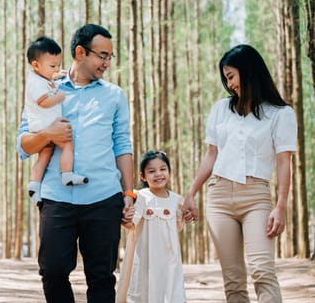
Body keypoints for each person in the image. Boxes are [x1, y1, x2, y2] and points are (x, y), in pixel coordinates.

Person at [16, 24, 135, 303]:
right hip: (56, 196)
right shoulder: (45, 89)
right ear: (80, 52)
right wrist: (47, 134)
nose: (107, 63)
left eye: (110, 57)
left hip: (104, 197)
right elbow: (23, 143)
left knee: (102, 277)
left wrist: (129, 194)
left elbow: (122, 145)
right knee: (53, 272)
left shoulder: (114, 95)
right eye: (101, 56)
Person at [183, 44, 297, 302]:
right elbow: (212, 154)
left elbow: (283, 162)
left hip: (256, 197)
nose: (228, 83)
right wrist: (191, 193)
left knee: (262, 272)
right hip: (219, 198)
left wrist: (280, 206)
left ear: (248, 71)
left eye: (231, 75)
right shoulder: (220, 110)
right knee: (233, 280)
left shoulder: (280, 113)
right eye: (225, 78)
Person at [24, 36, 88, 206]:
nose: (56, 69)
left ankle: (34, 185)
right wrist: (59, 96)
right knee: (67, 143)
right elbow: (44, 101)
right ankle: (67, 175)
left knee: (44, 156)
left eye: (59, 64)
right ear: (36, 65)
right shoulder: (35, 83)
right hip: (46, 126)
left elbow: (51, 80)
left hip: (40, 126)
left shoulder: (42, 77)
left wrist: (57, 74)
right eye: (52, 66)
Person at [117, 150, 186, 303]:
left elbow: (178, 227)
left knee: (169, 290)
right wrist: (123, 217)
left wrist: (186, 214)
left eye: (163, 169)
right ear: (143, 176)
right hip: (145, 257)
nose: (158, 174)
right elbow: (130, 224)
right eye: (151, 171)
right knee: (143, 289)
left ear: (169, 171)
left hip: (169, 259)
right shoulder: (141, 196)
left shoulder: (177, 200)